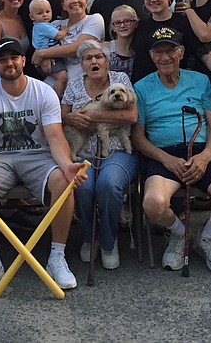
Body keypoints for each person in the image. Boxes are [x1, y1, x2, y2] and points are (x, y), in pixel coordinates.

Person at [0, 37, 86, 291]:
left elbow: (54, 136)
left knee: (63, 180)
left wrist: (67, 164)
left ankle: (56, 256)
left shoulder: (44, 92)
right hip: (0, 159)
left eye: (14, 58)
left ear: (23, 61)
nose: (9, 63)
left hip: (37, 156)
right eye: (3, 59)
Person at [131, 28, 211, 275]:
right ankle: (180, 234)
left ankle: (208, 238)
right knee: (153, 203)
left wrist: (205, 158)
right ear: (151, 56)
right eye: (159, 52)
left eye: (171, 51)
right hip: (164, 156)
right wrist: (166, 160)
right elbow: (138, 137)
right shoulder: (141, 87)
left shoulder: (201, 81)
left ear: (181, 53)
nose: (165, 57)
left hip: (201, 151)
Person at [61, 40, 138, 270]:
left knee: (108, 184)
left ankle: (107, 240)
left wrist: (94, 118)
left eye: (99, 57)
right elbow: (61, 116)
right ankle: (89, 236)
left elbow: (132, 116)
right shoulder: (74, 84)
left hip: (118, 149)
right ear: (81, 64)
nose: (94, 61)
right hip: (83, 149)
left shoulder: (120, 81)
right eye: (88, 58)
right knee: (83, 186)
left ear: (107, 60)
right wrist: (70, 118)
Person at [131, 0, 211, 94]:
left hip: (180, 89)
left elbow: (204, 51)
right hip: (149, 91)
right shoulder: (140, 26)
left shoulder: (183, 22)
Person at [32, 0, 104, 81]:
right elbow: (40, 47)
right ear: (64, 6)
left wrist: (42, 54)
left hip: (81, 85)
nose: (75, 1)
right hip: (53, 84)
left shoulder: (95, 19)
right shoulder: (55, 24)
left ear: (86, 2)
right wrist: (43, 57)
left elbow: (79, 47)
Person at [28, 0, 68, 97]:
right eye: (40, 13)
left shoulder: (43, 25)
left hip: (46, 57)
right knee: (62, 77)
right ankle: (56, 98)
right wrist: (65, 30)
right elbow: (58, 36)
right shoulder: (43, 26)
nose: (45, 15)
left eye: (47, 11)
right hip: (49, 58)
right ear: (32, 17)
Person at [105, 5, 137, 77]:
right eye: (117, 23)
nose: (122, 26)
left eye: (127, 21)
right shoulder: (105, 49)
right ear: (113, 27)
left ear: (136, 23)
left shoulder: (139, 51)